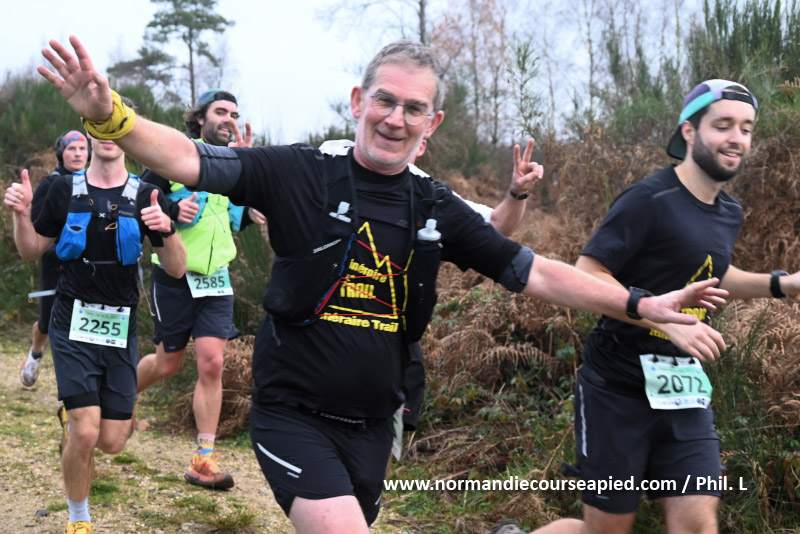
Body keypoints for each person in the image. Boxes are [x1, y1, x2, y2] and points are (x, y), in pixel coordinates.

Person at [38, 36, 728, 534]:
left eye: (413, 108)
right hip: (292, 413)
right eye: (385, 101)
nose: (396, 118)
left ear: (432, 124)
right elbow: (189, 156)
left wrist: (642, 305)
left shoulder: (434, 204)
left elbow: (536, 271)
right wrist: (112, 117)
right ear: (358, 100)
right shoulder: (298, 172)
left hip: (377, 424)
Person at [542, 79, 800, 534]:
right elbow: (588, 272)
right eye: (723, 125)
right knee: (606, 531)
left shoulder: (729, 212)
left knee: (698, 524)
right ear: (689, 130)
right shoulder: (649, 200)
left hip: (682, 390)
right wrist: (661, 316)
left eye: (746, 129)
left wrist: (784, 285)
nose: (737, 138)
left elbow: (714, 271)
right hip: (617, 388)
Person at [3, 119, 186, 534]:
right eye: (98, 126)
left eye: (115, 125)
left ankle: (85, 417)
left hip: (120, 326)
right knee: (86, 434)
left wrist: (168, 229)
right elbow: (31, 250)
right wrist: (21, 214)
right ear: (88, 134)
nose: (106, 134)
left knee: (112, 441)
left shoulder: (146, 194)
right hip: (72, 322)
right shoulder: (62, 190)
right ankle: (79, 519)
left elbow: (176, 268)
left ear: (127, 133)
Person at [319, 136, 542, 446]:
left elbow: (495, 224)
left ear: (421, 146)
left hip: (392, 346)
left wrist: (518, 192)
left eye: (414, 134)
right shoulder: (331, 159)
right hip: (320, 338)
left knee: (378, 449)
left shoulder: (430, 197)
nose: (397, 132)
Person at [135, 88, 263, 490]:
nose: (229, 119)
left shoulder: (236, 163)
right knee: (167, 364)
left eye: (234, 114)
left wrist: (254, 201)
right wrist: (172, 210)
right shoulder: (177, 156)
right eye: (221, 112)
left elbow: (233, 217)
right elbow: (139, 197)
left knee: (212, 363)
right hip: (174, 276)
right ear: (201, 118)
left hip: (217, 278)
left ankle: (204, 458)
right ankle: (121, 396)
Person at [20, 130, 89, 387]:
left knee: (79, 324)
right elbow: (36, 225)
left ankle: (77, 385)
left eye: (82, 149)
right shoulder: (51, 184)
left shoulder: (96, 182)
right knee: (47, 322)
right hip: (55, 263)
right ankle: (35, 353)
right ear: (61, 154)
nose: (78, 154)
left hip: (86, 266)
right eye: (72, 149)